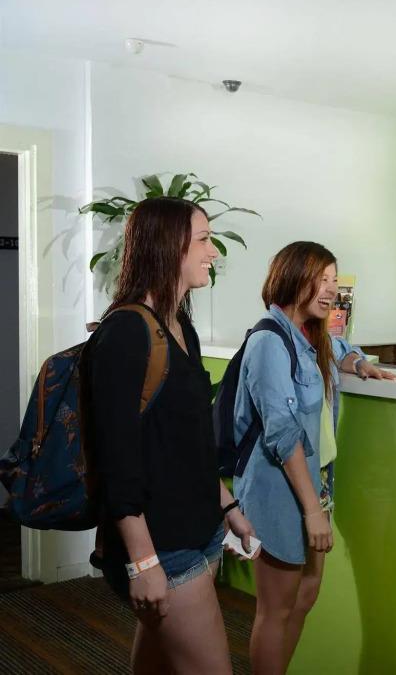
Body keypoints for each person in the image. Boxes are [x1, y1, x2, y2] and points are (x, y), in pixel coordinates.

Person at [84, 196, 258, 674]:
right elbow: (118, 461)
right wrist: (143, 563)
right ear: (168, 246)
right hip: (162, 544)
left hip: (201, 528)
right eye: (203, 240)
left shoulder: (180, 326)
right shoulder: (125, 332)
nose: (213, 252)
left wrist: (228, 507)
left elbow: (189, 444)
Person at [234, 241, 396, 675]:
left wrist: (358, 362)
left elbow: (338, 350)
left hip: (316, 482)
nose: (331, 290)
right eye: (321, 280)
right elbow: (282, 433)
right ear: (292, 278)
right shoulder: (268, 341)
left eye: (334, 281)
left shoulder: (311, 337)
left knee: (306, 595)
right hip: (281, 489)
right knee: (277, 607)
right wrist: (312, 511)